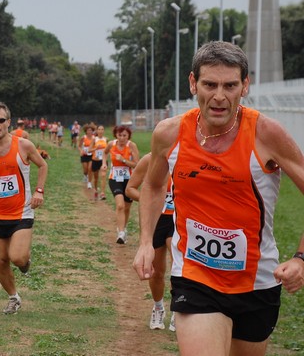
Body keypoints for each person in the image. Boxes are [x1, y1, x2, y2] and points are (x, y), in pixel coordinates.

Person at [133, 41, 304, 356]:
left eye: (230, 85)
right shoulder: (169, 133)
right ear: (193, 83)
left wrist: (301, 258)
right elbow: (154, 186)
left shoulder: (267, 134)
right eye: (210, 84)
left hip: (257, 282)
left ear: (245, 86)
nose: (220, 96)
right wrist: (145, 241)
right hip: (195, 275)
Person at [0, 101, 48, 315]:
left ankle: (25, 262)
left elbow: (42, 165)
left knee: (18, 258)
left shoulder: (24, 145)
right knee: (1, 260)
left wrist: (39, 191)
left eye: (1, 120)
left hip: (21, 212)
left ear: (8, 122)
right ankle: (13, 297)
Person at [126, 153, 175, 331]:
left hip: (180, 219)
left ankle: (178, 310)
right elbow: (130, 188)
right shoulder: (149, 160)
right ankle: (158, 307)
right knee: (158, 271)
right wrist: (152, 200)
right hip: (157, 220)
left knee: (180, 267)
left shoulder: (189, 155)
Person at [104, 125, 139, 244]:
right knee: (120, 205)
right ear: (116, 135)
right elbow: (104, 153)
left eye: (125, 135)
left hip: (129, 180)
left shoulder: (131, 146)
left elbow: (136, 165)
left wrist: (124, 160)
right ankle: (121, 231)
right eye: (120, 135)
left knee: (127, 207)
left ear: (128, 136)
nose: (122, 138)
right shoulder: (111, 144)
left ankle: (123, 228)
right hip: (114, 178)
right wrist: (104, 163)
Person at [88, 125, 108, 201]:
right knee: (96, 178)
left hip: (103, 161)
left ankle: (103, 193)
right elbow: (89, 150)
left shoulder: (106, 139)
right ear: (97, 131)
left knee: (103, 176)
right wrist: (96, 148)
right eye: (99, 129)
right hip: (95, 160)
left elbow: (109, 150)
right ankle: (96, 189)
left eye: (102, 129)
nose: (100, 131)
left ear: (104, 131)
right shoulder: (94, 139)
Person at [78, 123, 95, 188]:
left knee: (90, 168)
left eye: (91, 130)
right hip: (84, 155)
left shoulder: (94, 138)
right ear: (86, 131)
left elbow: (95, 146)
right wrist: (81, 151)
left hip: (91, 155)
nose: (89, 132)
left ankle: (89, 183)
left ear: (92, 131)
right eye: (88, 130)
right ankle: (85, 175)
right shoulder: (83, 137)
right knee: (85, 169)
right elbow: (79, 146)